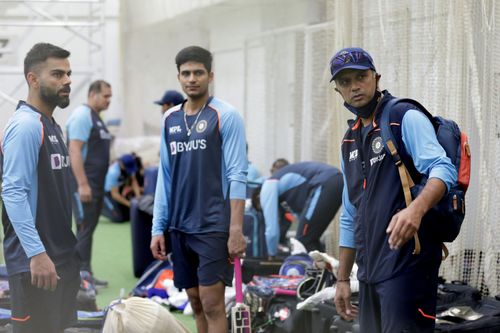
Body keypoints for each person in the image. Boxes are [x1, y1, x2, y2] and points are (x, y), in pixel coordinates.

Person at [330, 47, 457, 332]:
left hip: (407, 267)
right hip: (368, 272)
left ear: (376, 77)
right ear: (338, 91)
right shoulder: (348, 141)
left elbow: (443, 169)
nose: (355, 86)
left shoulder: (402, 116)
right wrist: (341, 279)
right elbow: (350, 214)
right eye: (345, 82)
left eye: (361, 77)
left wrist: (415, 209)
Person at [150, 45, 247, 333]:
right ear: (179, 77)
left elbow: (237, 173)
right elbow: (165, 177)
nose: (192, 78)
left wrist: (236, 229)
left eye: (198, 73)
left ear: (210, 76)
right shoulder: (170, 119)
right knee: (194, 301)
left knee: (213, 303)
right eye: (186, 73)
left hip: (213, 225)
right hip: (180, 226)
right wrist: (158, 227)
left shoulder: (226, 116)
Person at [1, 42, 80, 332]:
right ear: (33, 80)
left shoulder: (51, 125)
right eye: (57, 74)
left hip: (58, 257)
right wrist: (36, 253)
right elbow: (13, 193)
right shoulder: (26, 126)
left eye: (68, 74)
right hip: (36, 264)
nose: (67, 81)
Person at [66, 79, 112, 288]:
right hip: (84, 186)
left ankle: (86, 273)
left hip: (96, 185)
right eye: (105, 96)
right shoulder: (82, 116)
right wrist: (83, 185)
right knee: (84, 229)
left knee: (89, 229)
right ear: (93, 94)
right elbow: (74, 150)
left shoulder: (97, 118)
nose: (108, 100)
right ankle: (80, 278)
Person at [256, 161, 343, 257]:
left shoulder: (268, 185)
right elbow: (302, 218)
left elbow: (272, 231)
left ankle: (324, 271)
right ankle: (327, 271)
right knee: (309, 238)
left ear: (258, 197)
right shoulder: (290, 193)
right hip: (335, 180)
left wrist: (271, 255)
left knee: (303, 239)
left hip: (325, 182)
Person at [102, 153, 141, 222]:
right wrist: (131, 205)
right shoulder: (113, 172)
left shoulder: (129, 166)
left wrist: (139, 198)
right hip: (106, 193)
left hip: (118, 190)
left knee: (128, 216)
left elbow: (134, 182)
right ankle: (100, 208)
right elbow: (115, 195)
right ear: (121, 163)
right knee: (119, 218)